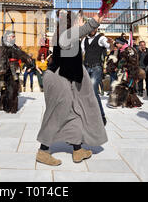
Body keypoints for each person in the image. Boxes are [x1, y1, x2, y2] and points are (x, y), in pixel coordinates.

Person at [36, 9, 109, 166]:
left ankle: (77, 150)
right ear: (72, 22)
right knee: (56, 114)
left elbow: (82, 32)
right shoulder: (65, 34)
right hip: (57, 78)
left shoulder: (66, 35)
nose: (81, 22)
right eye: (80, 20)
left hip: (65, 78)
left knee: (74, 114)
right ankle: (43, 151)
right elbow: (84, 29)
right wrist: (98, 18)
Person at [0, 31, 31, 113]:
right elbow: (0, 57)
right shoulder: (3, 46)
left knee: (12, 88)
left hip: (14, 69)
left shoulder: (14, 46)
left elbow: (21, 53)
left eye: (14, 36)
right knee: (8, 89)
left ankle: (7, 106)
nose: (14, 38)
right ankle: (8, 107)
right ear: (7, 37)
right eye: (12, 36)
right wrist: (1, 69)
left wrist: (27, 58)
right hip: (7, 70)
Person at [81, 29, 109, 123]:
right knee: (84, 91)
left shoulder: (101, 38)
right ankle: (87, 114)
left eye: (95, 27)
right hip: (86, 67)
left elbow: (109, 46)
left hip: (96, 67)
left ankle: (101, 115)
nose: (93, 29)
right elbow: (81, 52)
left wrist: (111, 43)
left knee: (93, 90)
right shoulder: (84, 40)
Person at [107, 37, 143, 108]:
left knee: (121, 86)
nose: (116, 44)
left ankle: (116, 103)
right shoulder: (120, 50)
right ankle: (132, 102)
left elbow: (133, 61)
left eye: (117, 43)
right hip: (123, 72)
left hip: (129, 72)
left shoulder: (129, 50)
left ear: (122, 43)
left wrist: (128, 69)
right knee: (127, 88)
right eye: (116, 43)